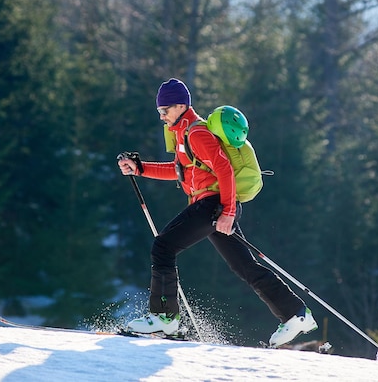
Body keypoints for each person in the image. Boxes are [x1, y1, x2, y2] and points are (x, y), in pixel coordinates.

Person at [117, 78, 318, 347]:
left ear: (180, 106)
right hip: (211, 205)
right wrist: (140, 168)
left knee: (163, 247)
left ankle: (164, 318)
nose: (162, 116)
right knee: (244, 265)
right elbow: (180, 171)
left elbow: (224, 169)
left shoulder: (197, 133)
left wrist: (228, 212)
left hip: (212, 205)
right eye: (159, 112)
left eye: (165, 110)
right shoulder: (182, 134)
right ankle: (296, 314)